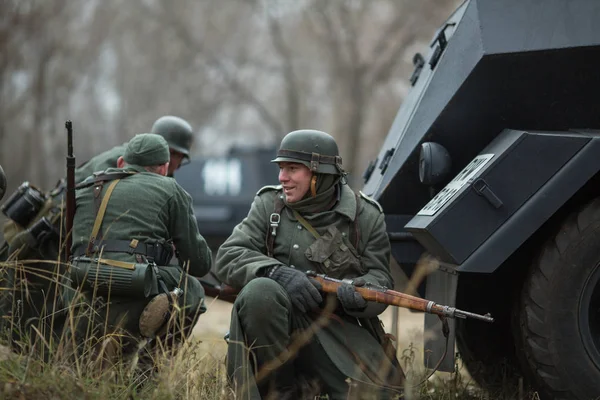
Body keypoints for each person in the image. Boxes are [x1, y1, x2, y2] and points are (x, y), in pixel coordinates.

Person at [215, 129, 405, 400]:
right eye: (281, 169)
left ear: (320, 174)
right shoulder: (270, 204)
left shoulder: (366, 216)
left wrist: (358, 294)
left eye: (293, 169)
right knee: (260, 292)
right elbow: (229, 255)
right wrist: (276, 273)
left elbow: (381, 280)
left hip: (338, 332)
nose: (283, 178)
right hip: (275, 331)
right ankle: (279, 393)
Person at [68, 133, 212, 348]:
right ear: (164, 169)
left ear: (121, 163)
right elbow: (199, 264)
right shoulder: (171, 189)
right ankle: (148, 367)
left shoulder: (86, 188)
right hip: (135, 282)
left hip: (82, 287)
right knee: (192, 289)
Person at [75, 115, 194, 183]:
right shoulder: (127, 159)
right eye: (169, 151)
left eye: (177, 155)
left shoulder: (165, 176)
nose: (169, 158)